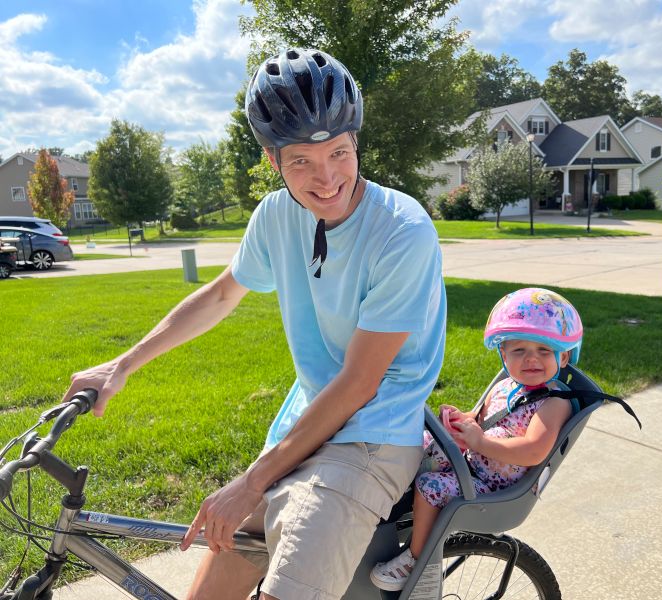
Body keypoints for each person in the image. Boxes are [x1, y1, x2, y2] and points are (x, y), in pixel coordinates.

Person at [63, 47, 446, 600]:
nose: (326, 179)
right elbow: (221, 295)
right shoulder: (275, 216)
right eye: (301, 163)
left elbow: (361, 385)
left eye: (339, 153)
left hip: (372, 432)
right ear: (272, 159)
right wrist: (121, 366)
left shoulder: (402, 231)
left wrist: (251, 481)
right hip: (305, 418)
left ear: (356, 143)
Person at [370, 287, 581, 592]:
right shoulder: (507, 386)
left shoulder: (554, 403)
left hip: (491, 486)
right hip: (471, 465)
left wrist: (480, 443)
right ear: (503, 354)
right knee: (422, 439)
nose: (531, 359)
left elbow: (534, 450)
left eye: (544, 351)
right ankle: (387, 495)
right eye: (519, 350)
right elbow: (480, 420)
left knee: (430, 487)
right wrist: (461, 419)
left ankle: (415, 558)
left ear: (563, 357)